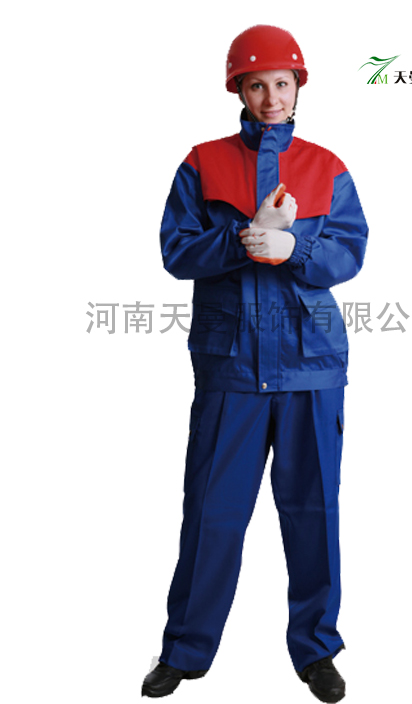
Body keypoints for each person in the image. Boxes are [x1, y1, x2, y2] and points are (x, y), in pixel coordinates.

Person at [142, 24, 368, 703]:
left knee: (313, 512)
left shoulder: (327, 167)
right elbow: (176, 251)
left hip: (310, 366)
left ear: (299, 87)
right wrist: (243, 239)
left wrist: (295, 249)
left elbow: (350, 253)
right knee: (212, 512)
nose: (271, 97)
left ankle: (316, 651)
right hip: (232, 366)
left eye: (282, 83)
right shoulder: (202, 163)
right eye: (257, 85)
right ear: (236, 89)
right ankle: (185, 650)